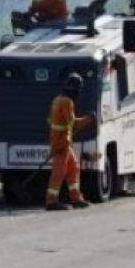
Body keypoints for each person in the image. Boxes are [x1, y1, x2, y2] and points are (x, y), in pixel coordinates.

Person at [46, 72, 94, 211]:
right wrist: (88, 119)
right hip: (62, 142)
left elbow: (50, 121)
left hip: (60, 141)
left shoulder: (57, 100)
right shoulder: (67, 102)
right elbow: (73, 124)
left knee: (73, 167)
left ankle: (76, 198)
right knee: (59, 171)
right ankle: (51, 201)